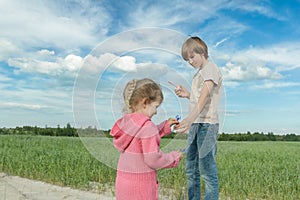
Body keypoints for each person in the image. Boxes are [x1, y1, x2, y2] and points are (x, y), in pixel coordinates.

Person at [110, 78, 182, 200]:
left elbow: (141, 138)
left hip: (123, 185)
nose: (156, 112)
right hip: (142, 188)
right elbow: (153, 159)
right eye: (156, 106)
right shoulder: (148, 127)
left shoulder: (127, 123)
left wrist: (164, 127)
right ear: (145, 102)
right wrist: (173, 158)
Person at [174, 36, 222, 200]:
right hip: (197, 124)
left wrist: (189, 119)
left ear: (202, 52)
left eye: (192, 57)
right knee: (191, 167)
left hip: (206, 125)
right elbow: (198, 98)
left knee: (206, 168)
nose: (190, 61)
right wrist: (187, 94)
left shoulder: (210, 68)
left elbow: (204, 98)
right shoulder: (199, 74)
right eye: (187, 59)